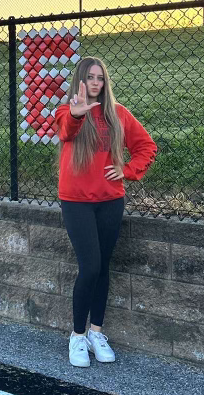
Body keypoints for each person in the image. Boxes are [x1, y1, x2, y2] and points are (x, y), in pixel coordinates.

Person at [54, 56, 157, 367]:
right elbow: (65, 132)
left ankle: (96, 333)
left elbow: (146, 147)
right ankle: (77, 336)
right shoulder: (67, 111)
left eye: (100, 77)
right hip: (76, 201)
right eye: (90, 77)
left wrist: (127, 170)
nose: (96, 82)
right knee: (90, 267)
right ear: (80, 81)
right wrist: (76, 113)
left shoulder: (118, 114)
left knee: (104, 267)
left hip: (110, 200)